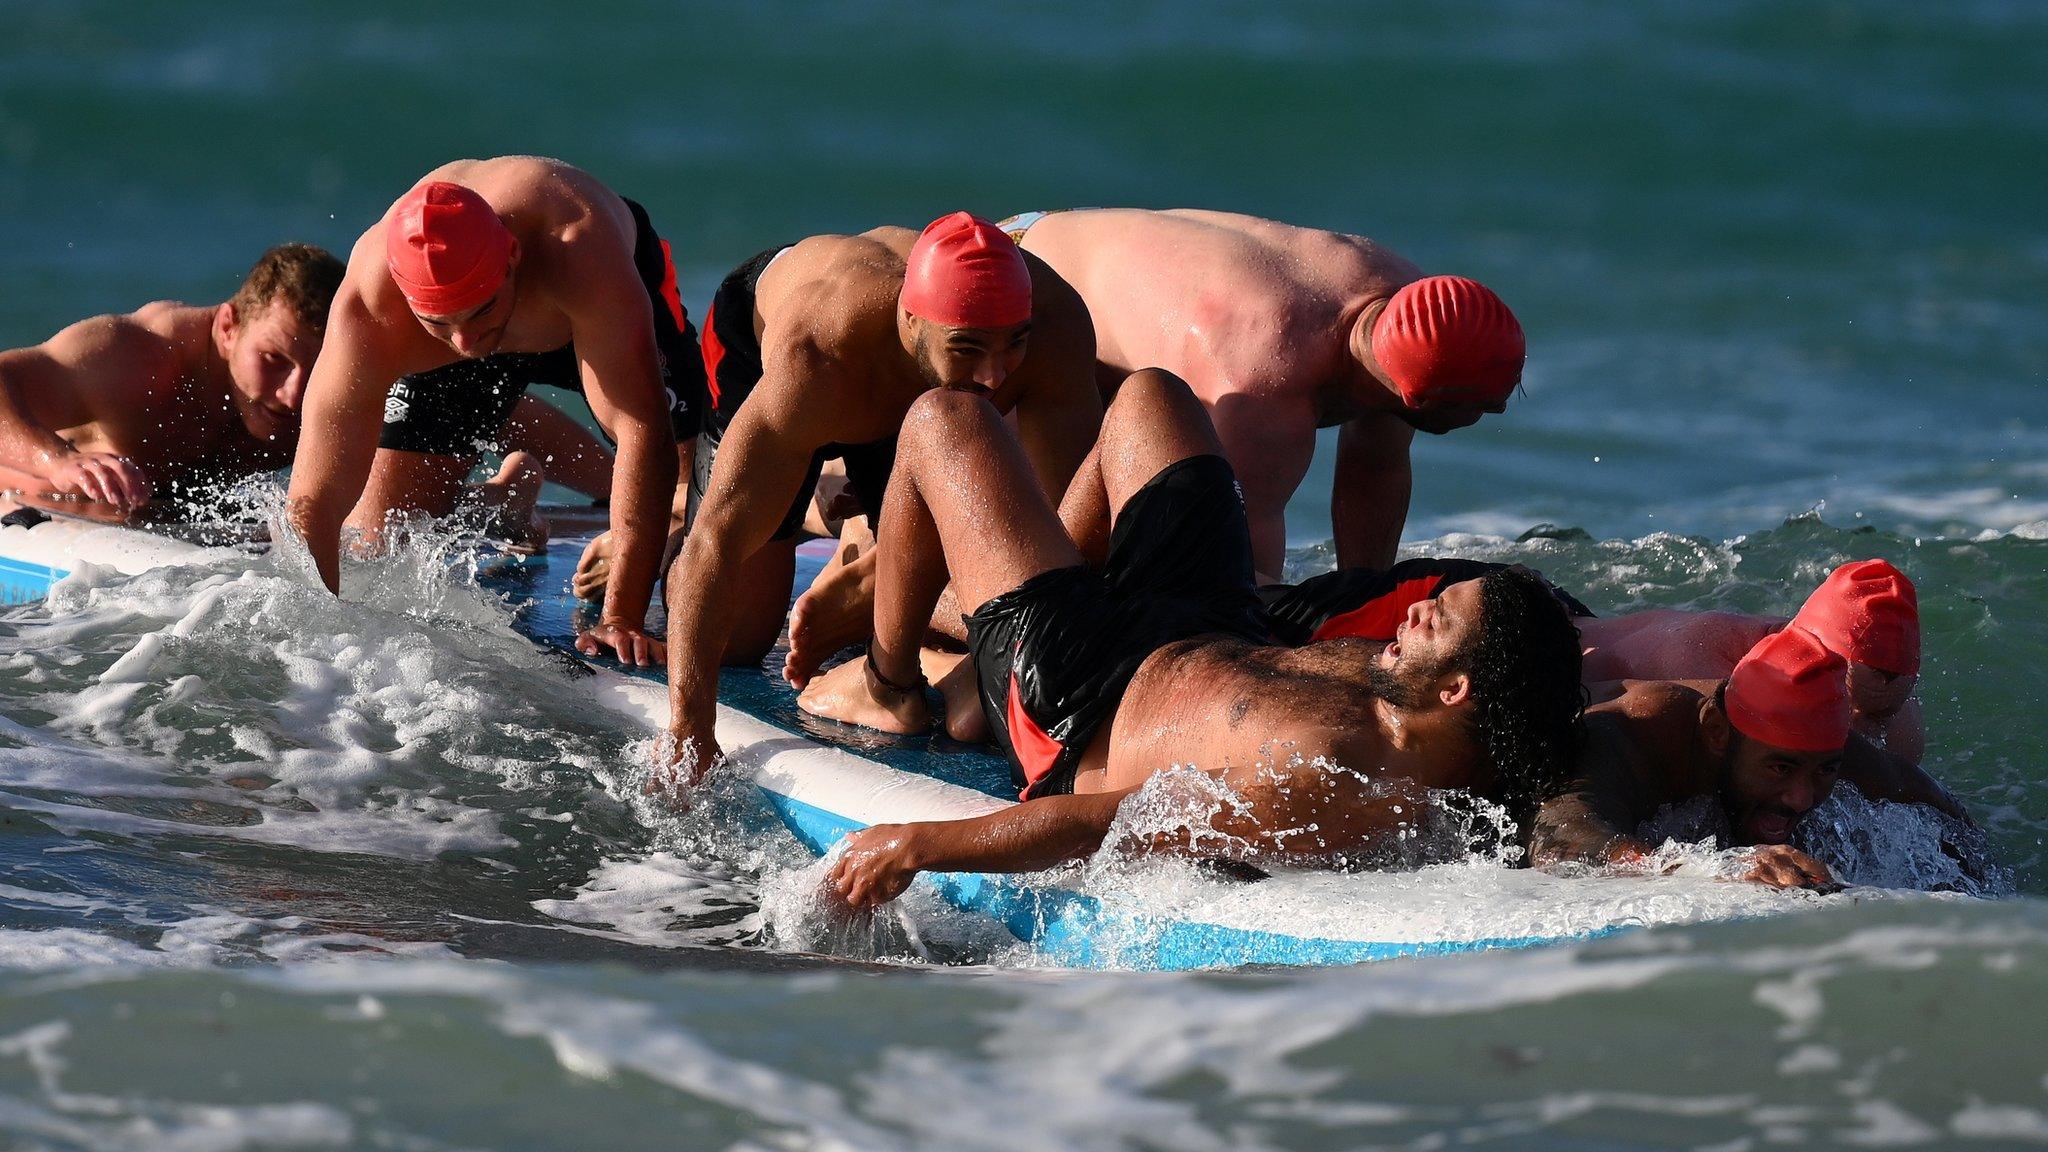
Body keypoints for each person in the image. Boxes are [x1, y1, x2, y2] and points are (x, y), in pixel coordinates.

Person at [788, 370, 1586, 909]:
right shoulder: (1414, 699)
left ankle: (895, 683)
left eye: (1436, 620)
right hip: (1205, 624)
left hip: (1075, 695)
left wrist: (920, 846)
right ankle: (990, 625)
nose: (1416, 614)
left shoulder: (1333, 777)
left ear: (1458, 691)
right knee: (1152, 396)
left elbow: (1107, 821)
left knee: (945, 418)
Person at [661, 212, 1102, 771]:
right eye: (968, 348)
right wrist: (689, 728)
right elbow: (714, 546)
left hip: (906, 396)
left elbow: (1066, 530)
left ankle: (874, 588)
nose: (994, 378)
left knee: (1009, 541)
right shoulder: (816, 354)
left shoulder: (1054, 323)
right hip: (767, 342)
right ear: (911, 320)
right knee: (737, 643)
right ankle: (683, 509)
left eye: (1013, 345)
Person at [285, 157, 701, 665]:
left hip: (591, 312)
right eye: (441, 323)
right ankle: (506, 502)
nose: (464, 340)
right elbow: (313, 496)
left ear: (514, 254)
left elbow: (642, 430)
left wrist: (621, 617)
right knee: (379, 541)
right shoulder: (372, 305)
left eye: (477, 311)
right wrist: (312, 633)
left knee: (691, 493)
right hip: (470, 304)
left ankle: (645, 530)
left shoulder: (580, 248)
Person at [1003, 208, 1525, 578]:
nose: (1494, 412)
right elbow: (1242, 580)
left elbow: (1376, 469)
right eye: (1484, 407)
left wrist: (1364, 599)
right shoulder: (1263, 387)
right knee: (1060, 567)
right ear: (1421, 401)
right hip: (1023, 296)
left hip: (1046, 234)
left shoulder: (1404, 308)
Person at [1529, 625, 1966, 891]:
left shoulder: (1813, 740)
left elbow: (1928, 797)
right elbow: (1563, 844)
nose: (1800, 798)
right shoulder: (1634, 734)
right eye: (1781, 768)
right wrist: (1707, 868)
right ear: (1718, 732)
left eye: (1825, 771)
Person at [0, 244, 341, 509]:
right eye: (273, 359)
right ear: (228, 327)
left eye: (317, 369)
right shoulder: (139, 358)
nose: (293, 396)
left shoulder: (338, 391)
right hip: (29, 520)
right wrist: (56, 460)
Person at [1577, 559, 1925, 760]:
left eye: (1877, 716)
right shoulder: (1701, 673)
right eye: (1841, 699)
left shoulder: (1900, 723)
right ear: (1800, 651)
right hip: (1561, 639)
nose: (1855, 731)